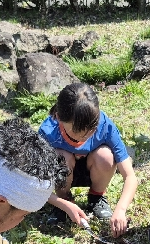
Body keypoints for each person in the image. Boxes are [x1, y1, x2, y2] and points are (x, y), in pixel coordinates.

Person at [37, 83, 139, 235]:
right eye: (78, 132)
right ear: (58, 117)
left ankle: (96, 197)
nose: (86, 136)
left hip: (94, 170)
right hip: (63, 172)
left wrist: (121, 209)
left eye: (92, 129)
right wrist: (61, 203)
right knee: (61, 157)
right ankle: (64, 198)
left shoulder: (105, 126)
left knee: (106, 155)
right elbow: (33, 182)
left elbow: (130, 176)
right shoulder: (48, 132)